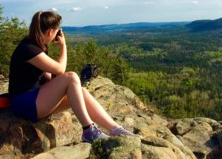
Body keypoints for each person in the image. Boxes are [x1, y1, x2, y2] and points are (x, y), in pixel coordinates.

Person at [8, 10, 137, 142]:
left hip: (34, 100)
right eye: (57, 32)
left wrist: (63, 86)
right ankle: (89, 130)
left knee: (81, 92)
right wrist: (64, 47)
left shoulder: (36, 45)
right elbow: (60, 69)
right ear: (50, 32)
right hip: (24, 104)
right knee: (71, 77)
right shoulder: (29, 49)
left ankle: (115, 129)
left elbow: (48, 76)